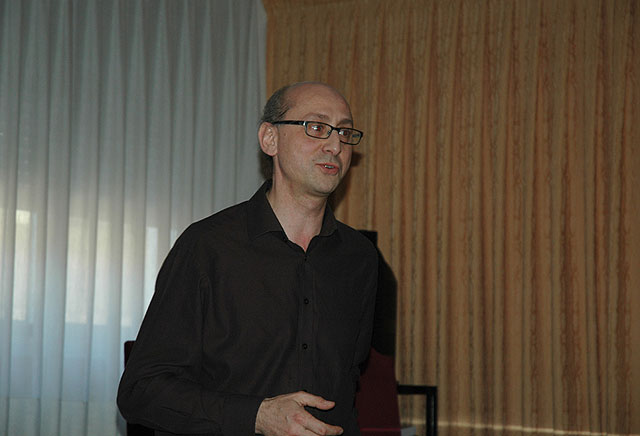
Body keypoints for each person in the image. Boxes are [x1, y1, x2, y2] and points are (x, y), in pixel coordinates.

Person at [117, 82, 378, 436]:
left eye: (344, 132)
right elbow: (141, 390)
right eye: (316, 127)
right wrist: (257, 416)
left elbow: (347, 384)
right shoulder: (207, 247)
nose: (335, 146)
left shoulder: (359, 258)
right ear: (270, 139)